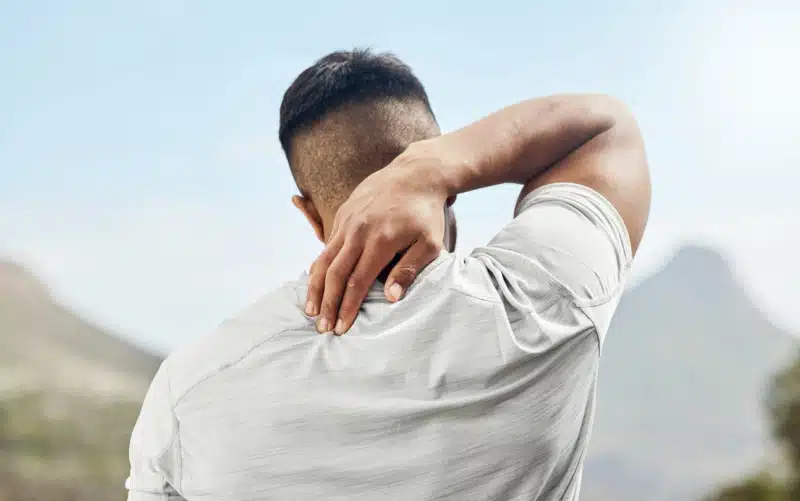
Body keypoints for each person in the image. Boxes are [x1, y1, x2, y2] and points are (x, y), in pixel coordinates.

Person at [126, 49, 650, 501]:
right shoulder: (537, 307)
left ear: (308, 213)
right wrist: (436, 165)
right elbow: (605, 129)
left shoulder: (190, 390)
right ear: (451, 187)